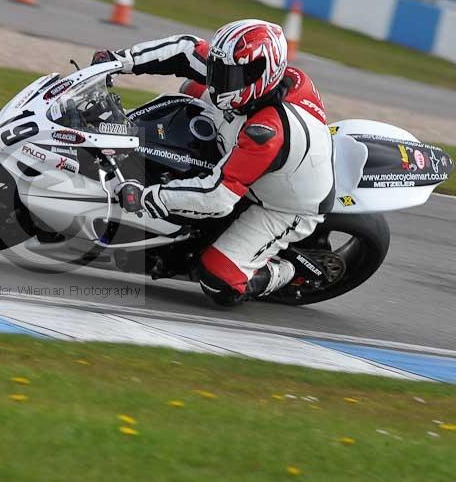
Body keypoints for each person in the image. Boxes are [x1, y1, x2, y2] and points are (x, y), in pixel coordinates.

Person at [94, 19, 335, 306]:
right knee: (190, 88)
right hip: (247, 142)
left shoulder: (267, 132)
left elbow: (218, 196)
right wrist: (118, 61)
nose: (217, 80)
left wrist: (149, 196)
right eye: (217, 70)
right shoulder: (247, 75)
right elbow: (186, 51)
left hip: (282, 204)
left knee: (218, 281)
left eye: (227, 75)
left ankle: (287, 271)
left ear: (258, 74)